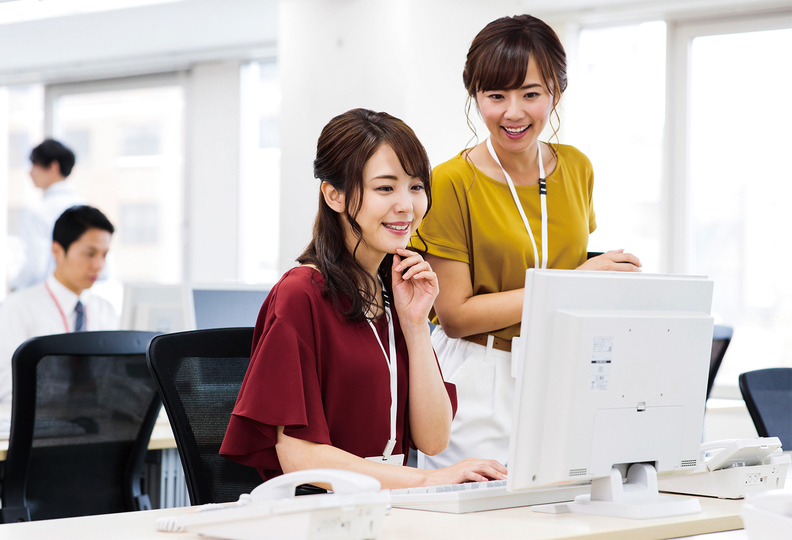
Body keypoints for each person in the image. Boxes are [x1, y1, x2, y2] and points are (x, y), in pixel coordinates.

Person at [220, 108, 506, 489]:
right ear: (334, 195)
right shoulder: (300, 295)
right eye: (385, 188)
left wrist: (416, 325)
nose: (406, 205)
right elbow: (302, 458)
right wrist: (427, 480)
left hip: (387, 507)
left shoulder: (395, 291)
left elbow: (434, 439)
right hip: (322, 511)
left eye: (416, 187)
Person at [413, 15, 642, 470]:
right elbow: (455, 316)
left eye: (531, 94)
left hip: (563, 370)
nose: (513, 113)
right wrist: (572, 283)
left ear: (556, 92)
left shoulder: (576, 168)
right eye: (496, 95)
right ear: (475, 95)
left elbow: (570, 267)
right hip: (480, 377)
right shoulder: (450, 182)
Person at [0, 205, 118, 402]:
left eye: (104, 255)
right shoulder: (18, 307)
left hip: (98, 418)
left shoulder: (105, 310)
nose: (98, 265)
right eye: (90, 253)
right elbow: (5, 384)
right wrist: (66, 397)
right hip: (42, 418)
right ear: (57, 251)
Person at [10, 139, 85, 291]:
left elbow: (34, 265)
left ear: (53, 167)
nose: (30, 173)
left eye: (34, 165)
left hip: (47, 295)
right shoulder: (86, 209)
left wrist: (14, 288)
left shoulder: (39, 213)